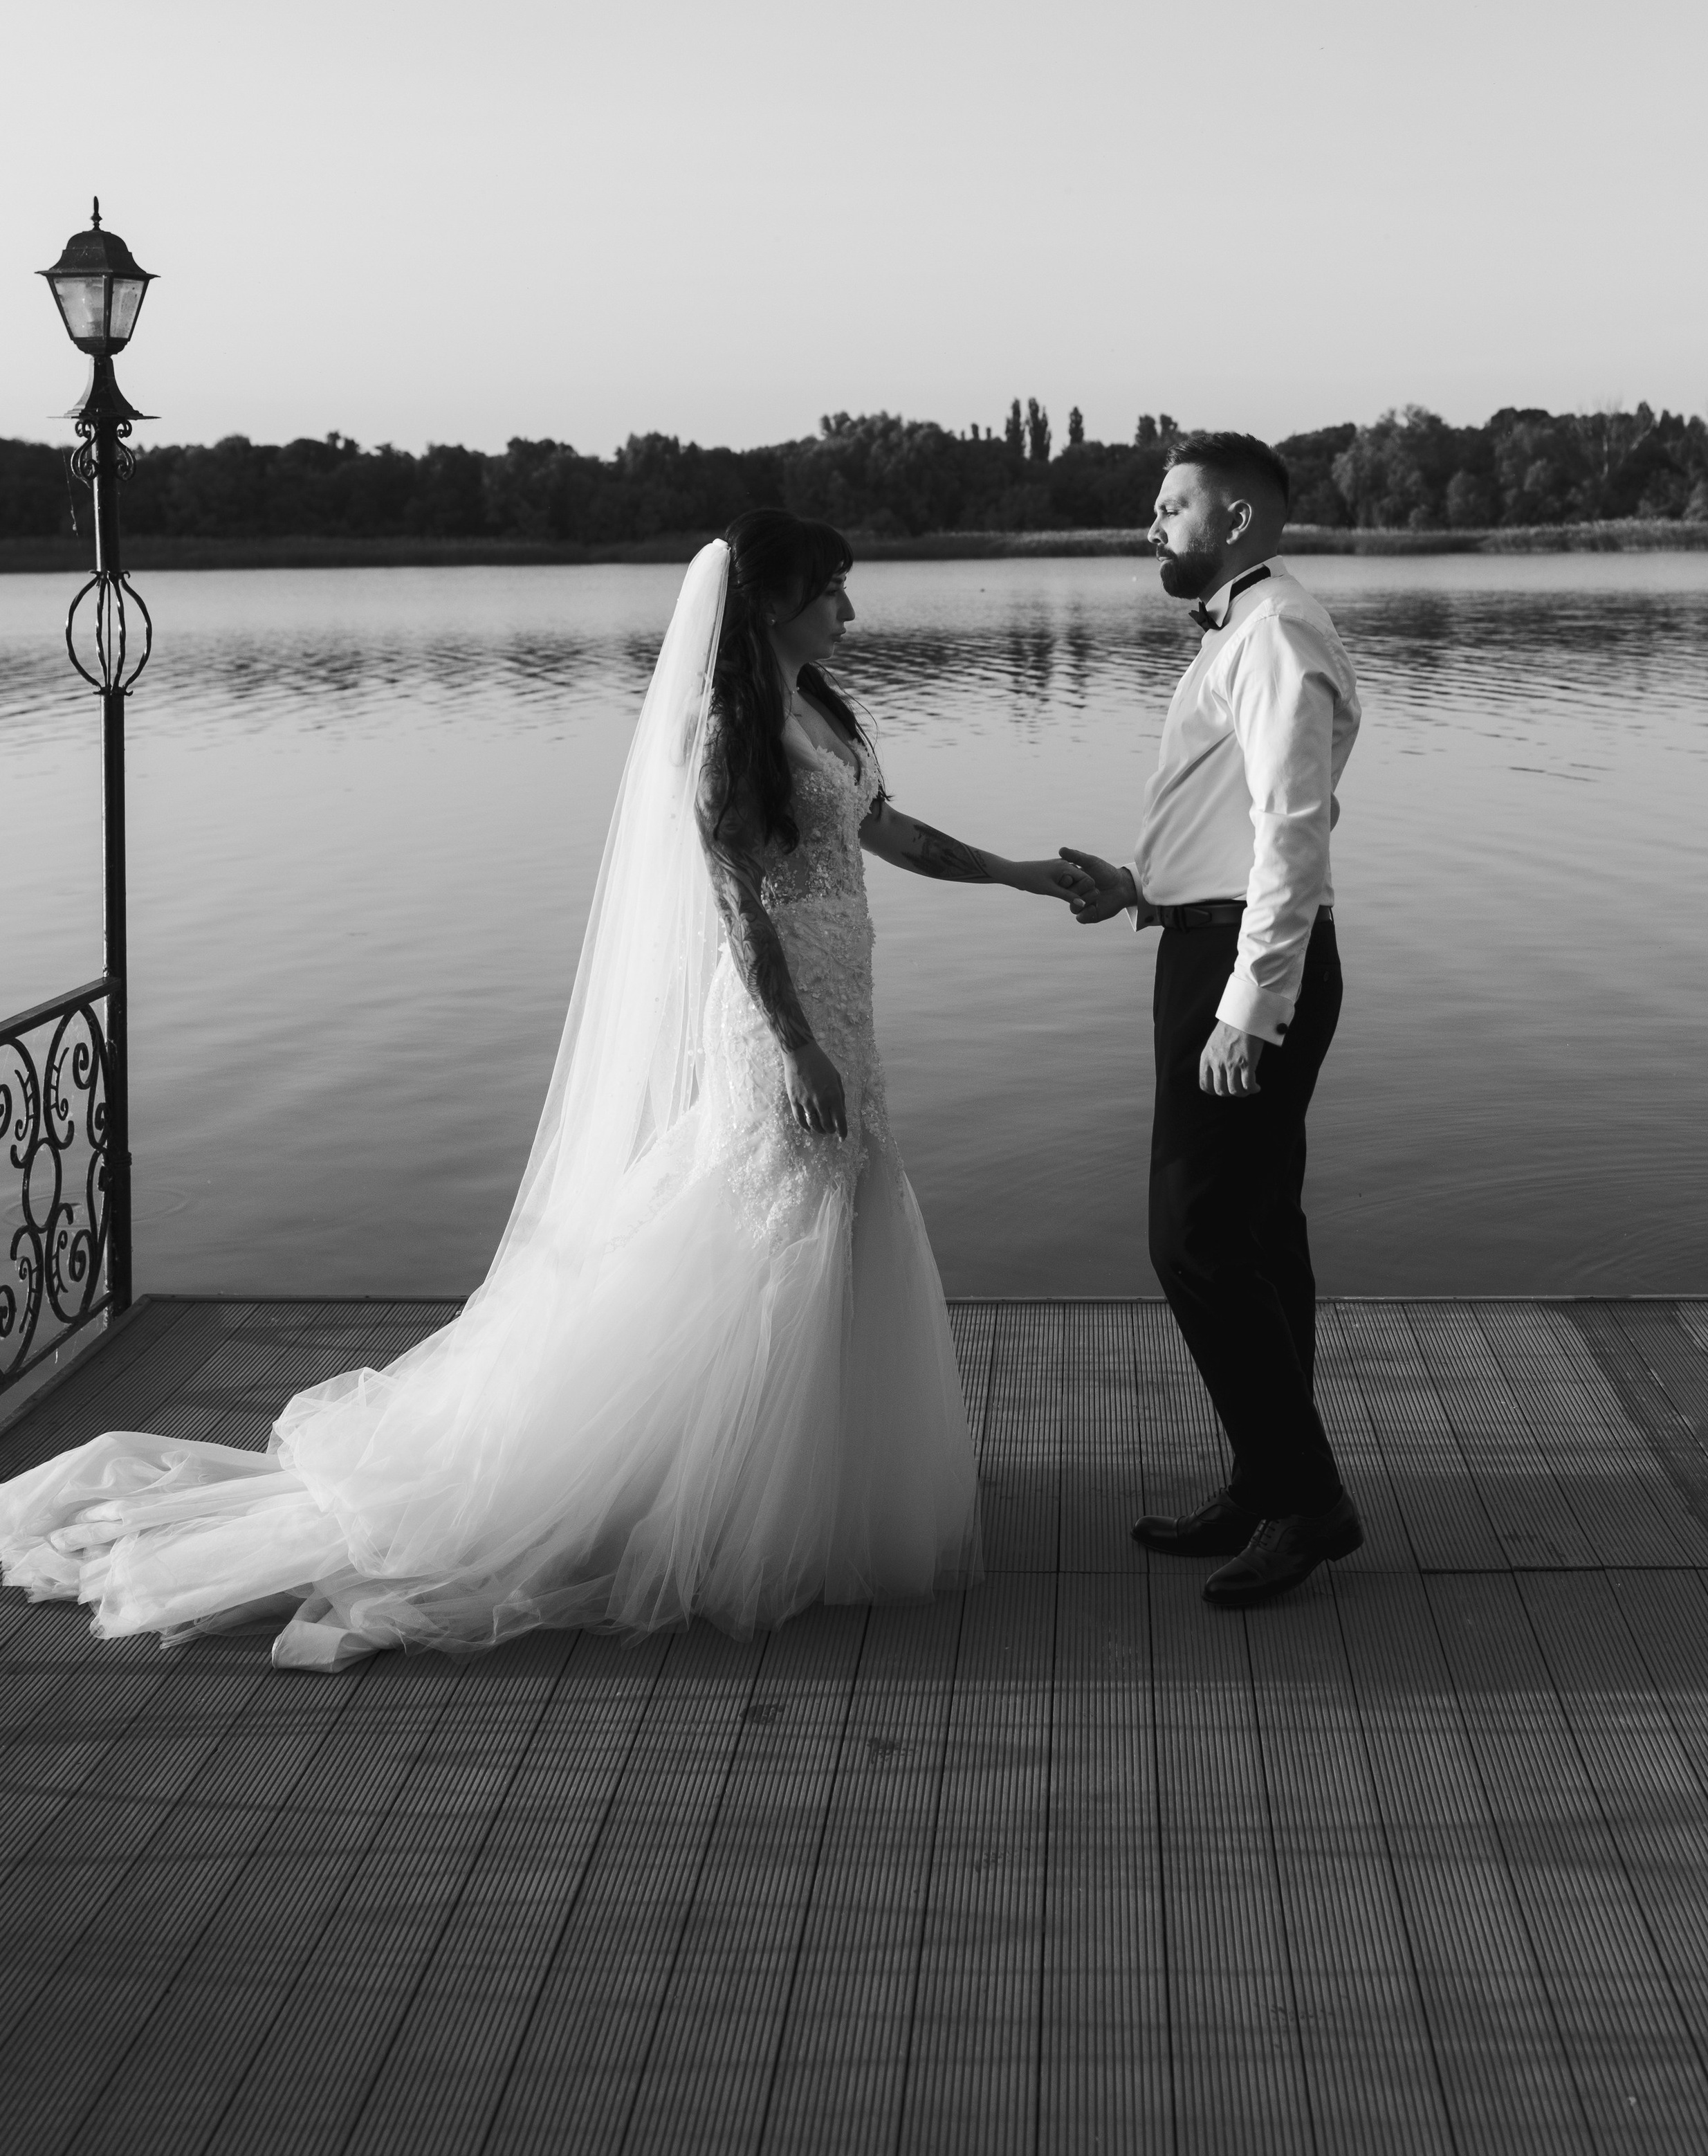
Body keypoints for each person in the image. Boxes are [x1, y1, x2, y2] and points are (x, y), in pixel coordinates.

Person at [0, 512, 1081, 1667]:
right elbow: (737, 906)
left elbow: (889, 834)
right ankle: (717, 1490)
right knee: (778, 1224)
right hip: (782, 1024)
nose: (851, 612)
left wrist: (1025, 875)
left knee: (841, 1217)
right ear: (770, 602)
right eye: (833, 590)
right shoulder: (727, 732)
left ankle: (817, 1475)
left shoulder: (827, 710)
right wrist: (798, 1044)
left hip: (846, 1012)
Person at [1062, 432, 1364, 1607]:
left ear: (1235, 520)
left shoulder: (1277, 630)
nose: (1153, 525)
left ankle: (1308, 1501)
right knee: (1253, 1235)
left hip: (1247, 963)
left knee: (1190, 1239)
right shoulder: (1247, 629)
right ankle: (1264, 1478)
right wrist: (1143, 884)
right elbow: (1235, 818)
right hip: (1211, 941)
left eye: (1173, 505)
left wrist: (1250, 1005)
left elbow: (1294, 830)